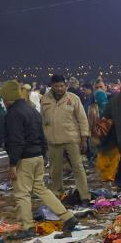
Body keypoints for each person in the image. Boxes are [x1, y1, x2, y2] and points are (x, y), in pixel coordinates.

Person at [2, 80, 79, 238]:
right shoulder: (31, 110)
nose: (3, 102)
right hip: (37, 156)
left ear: (9, 98)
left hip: (25, 158)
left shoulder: (13, 114)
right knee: (41, 189)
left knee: (22, 193)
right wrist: (42, 155)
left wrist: (12, 164)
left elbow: (16, 140)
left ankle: (26, 227)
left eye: (4, 98)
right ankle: (67, 217)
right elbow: (42, 135)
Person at [40, 74, 91, 203]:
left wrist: (84, 138)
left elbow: (82, 119)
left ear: (66, 85)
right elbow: (42, 120)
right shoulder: (45, 99)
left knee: (78, 167)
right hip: (53, 141)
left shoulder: (73, 98)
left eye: (62, 86)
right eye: (56, 86)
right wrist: (43, 138)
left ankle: (84, 195)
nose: (59, 88)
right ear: (51, 86)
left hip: (71, 139)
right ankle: (57, 195)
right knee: (55, 169)